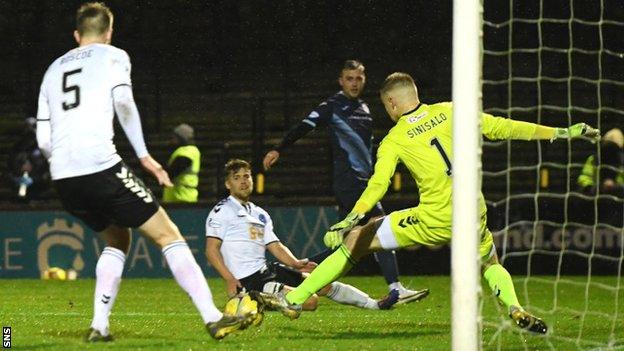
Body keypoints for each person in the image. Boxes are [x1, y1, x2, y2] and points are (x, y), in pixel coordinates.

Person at [260, 72, 601, 334]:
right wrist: (561, 132)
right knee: (490, 260)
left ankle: (293, 298)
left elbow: (378, 185)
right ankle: (513, 308)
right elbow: (504, 127)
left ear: (391, 104)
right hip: (474, 212)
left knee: (359, 238)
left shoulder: (394, 138)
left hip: (435, 217)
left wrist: (353, 217)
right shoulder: (452, 111)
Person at [35, 2, 257, 341]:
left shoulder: (52, 69)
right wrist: (144, 157)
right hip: (100, 166)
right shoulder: (113, 56)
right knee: (169, 235)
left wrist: (65, 165)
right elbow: (124, 103)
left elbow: (43, 137)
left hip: (64, 178)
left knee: (117, 238)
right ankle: (213, 316)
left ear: (77, 35)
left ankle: (99, 326)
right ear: (109, 32)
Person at [263, 60, 427, 304]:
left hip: (364, 180)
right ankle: (396, 288)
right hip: (350, 182)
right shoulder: (332, 106)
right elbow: (305, 125)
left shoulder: (364, 107)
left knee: (345, 243)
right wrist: (278, 149)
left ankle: (293, 271)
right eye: (349, 78)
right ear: (341, 81)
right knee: (377, 225)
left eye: (359, 78)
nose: (354, 83)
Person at [205, 159, 399, 319]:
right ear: (228, 184)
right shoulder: (222, 211)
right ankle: (253, 300)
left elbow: (275, 245)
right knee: (310, 301)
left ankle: (375, 304)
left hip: (268, 270)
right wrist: (230, 279)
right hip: (248, 281)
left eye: (246, 176)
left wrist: (296, 264)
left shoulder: (259, 213)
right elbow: (211, 250)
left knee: (321, 283)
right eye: (236, 178)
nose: (243, 181)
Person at [6, 117, 51, 201]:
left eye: (33, 126)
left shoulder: (44, 148)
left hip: (40, 194)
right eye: (27, 127)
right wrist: (15, 179)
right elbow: (8, 170)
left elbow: (48, 173)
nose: (30, 130)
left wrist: (34, 179)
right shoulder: (16, 148)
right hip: (18, 194)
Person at [577, 127, 624, 196]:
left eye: (613, 147)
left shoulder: (621, 161)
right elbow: (584, 179)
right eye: (607, 146)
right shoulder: (594, 159)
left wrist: (616, 187)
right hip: (598, 198)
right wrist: (595, 188)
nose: (609, 151)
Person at [162, 123, 201, 203]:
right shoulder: (191, 151)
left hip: (180, 198)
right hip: (184, 197)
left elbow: (171, 173)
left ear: (182, 138)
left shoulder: (186, 152)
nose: (172, 140)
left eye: (175, 137)